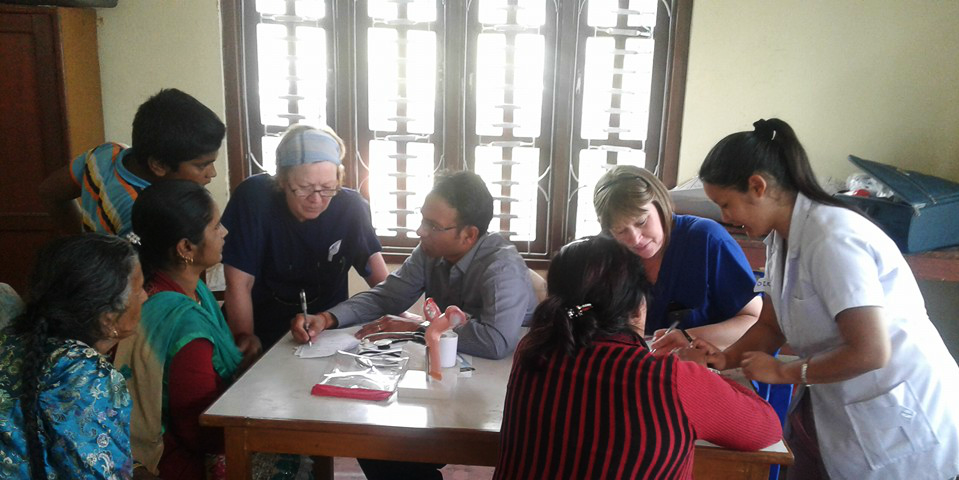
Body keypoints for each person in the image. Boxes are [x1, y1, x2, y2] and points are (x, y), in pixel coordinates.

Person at [695, 118, 959, 479]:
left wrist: (784, 371)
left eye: (726, 205)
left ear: (757, 186)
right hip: (843, 408)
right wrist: (725, 359)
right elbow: (771, 324)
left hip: (899, 411)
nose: (725, 217)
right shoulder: (781, 236)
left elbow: (870, 351)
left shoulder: (833, 238)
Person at [494, 236, 782, 479]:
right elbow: (766, 429)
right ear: (637, 306)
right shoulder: (671, 380)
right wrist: (703, 373)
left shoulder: (533, 348)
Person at [290, 170, 537, 361]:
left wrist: (416, 328)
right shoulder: (430, 252)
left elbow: (495, 342)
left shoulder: (502, 268)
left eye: (433, 225)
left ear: (469, 235)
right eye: (422, 219)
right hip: (454, 365)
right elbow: (385, 298)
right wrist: (327, 318)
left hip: (504, 375)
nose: (420, 231)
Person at [221, 124, 389, 359]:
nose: (316, 199)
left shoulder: (351, 207)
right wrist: (245, 340)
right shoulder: (255, 198)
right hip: (261, 327)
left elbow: (384, 284)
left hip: (323, 334)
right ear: (282, 181)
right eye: (304, 188)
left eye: (328, 188)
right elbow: (239, 284)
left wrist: (407, 321)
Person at [114, 180, 241, 479]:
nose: (225, 233)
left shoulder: (191, 288)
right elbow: (201, 434)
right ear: (186, 247)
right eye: (216, 227)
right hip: (175, 458)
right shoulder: (182, 322)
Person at [0, 234, 146, 480]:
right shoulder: (87, 375)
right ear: (108, 318)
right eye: (140, 288)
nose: (145, 296)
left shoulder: (9, 342)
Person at [593, 165, 761, 353]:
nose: (635, 239)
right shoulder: (611, 253)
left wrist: (689, 337)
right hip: (651, 367)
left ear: (660, 204)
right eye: (620, 230)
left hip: (721, 365)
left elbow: (754, 320)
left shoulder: (706, 239)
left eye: (641, 221)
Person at [39, 88, 226, 236]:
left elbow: (49, 191)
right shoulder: (148, 214)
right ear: (159, 165)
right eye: (202, 165)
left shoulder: (105, 154)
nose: (212, 173)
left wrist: (79, 241)